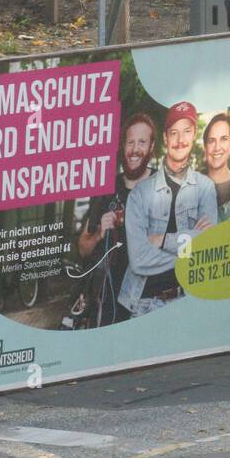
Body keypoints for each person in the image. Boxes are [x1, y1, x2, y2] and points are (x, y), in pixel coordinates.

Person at [121, 101, 218, 316]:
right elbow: (138, 260)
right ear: (165, 137)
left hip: (190, 301)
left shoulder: (205, 188)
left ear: (194, 135)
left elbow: (210, 250)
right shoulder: (140, 193)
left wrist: (163, 240)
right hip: (144, 303)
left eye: (186, 132)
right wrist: (191, 247)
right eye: (174, 133)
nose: (180, 140)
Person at [74, 113, 156, 328]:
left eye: (142, 142)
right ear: (123, 146)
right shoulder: (107, 190)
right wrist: (100, 231)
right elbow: (83, 248)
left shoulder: (163, 188)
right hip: (106, 308)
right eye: (130, 142)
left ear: (151, 147)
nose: (135, 149)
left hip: (147, 306)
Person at [201, 112, 230, 206]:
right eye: (211, 141)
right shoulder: (194, 186)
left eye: (224, 139)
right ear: (205, 147)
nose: (217, 148)